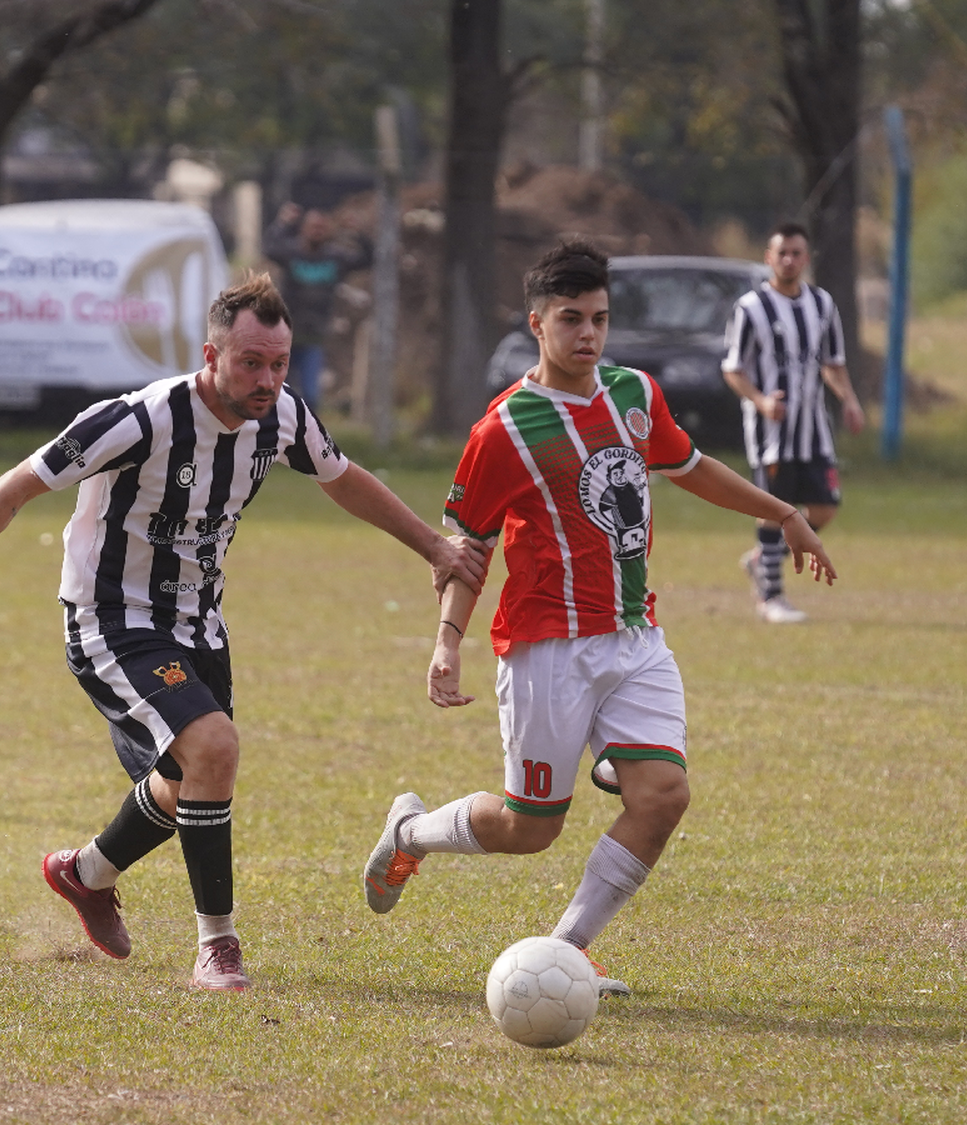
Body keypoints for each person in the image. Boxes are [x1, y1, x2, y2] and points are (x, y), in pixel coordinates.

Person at [0, 274, 487, 992]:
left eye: (279, 364)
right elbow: (18, 484)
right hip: (112, 619)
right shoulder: (138, 420)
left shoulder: (283, 416)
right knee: (214, 748)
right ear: (211, 354)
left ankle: (86, 873)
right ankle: (218, 946)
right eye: (250, 363)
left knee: (190, 779)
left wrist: (434, 546)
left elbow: (343, 477)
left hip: (198, 623)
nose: (267, 380)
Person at [361, 240, 838, 995]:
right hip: (546, 646)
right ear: (537, 323)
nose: (588, 334)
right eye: (571, 319)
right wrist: (447, 640)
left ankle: (565, 949)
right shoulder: (505, 429)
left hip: (634, 636)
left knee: (665, 796)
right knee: (531, 828)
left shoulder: (634, 393)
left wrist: (783, 512)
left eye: (600, 319)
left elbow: (688, 466)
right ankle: (410, 832)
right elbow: (466, 547)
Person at [722, 221, 864, 624]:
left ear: (806, 258)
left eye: (796, 253)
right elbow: (733, 369)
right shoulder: (751, 308)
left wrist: (849, 400)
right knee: (772, 509)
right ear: (769, 258)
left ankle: (760, 560)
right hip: (770, 434)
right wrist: (762, 401)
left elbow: (833, 363)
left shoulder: (822, 304)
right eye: (781, 253)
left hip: (813, 428)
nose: (788, 260)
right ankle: (772, 597)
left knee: (825, 507)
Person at [262, 202, 372, 412]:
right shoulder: (291, 252)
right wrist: (282, 223)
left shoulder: (335, 258)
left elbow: (367, 259)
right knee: (281, 392)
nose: (317, 231)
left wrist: (358, 233)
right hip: (285, 337)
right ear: (304, 228)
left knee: (311, 396)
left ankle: (305, 437)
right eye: (313, 227)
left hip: (315, 336)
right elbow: (269, 248)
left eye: (321, 228)